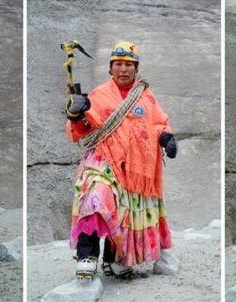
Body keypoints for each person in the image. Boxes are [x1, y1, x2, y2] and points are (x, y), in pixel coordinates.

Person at [64, 41, 177, 279]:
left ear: (136, 68)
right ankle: (87, 255)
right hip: (104, 159)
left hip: (136, 167)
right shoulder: (98, 95)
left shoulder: (146, 97)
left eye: (128, 64)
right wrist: (76, 113)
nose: (123, 69)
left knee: (127, 209)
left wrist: (166, 138)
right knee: (96, 198)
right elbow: (82, 131)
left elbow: (157, 124)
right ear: (110, 68)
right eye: (118, 64)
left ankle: (114, 259)